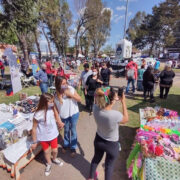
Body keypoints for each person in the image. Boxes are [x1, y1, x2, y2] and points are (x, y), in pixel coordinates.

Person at [88, 87, 128, 180]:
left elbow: (100, 100)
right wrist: (123, 102)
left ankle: (90, 177)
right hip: (112, 144)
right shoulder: (115, 115)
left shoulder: (95, 108)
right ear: (112, 101)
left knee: (95, 159)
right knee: (109, 166)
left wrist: (113, 99)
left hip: (99, 139)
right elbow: (126, 119)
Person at [31, 93, 64, 176]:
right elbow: (34, 129)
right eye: (51, 102)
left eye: (53, 101)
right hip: (43, 137)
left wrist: (59, 122)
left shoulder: (52, 108)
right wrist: (34, 142)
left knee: (55, 150)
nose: (53, 103)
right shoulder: (38, 114)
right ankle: (49, 163)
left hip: (53, 134)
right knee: (46, 151)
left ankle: (54, 159)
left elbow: (56, 114)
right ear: (44, 102)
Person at [54, 76, 81, 157]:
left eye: (66, 83)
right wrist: (58, 119)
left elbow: (79, 99)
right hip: (64, 115)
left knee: (73, 130)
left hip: (74, 114)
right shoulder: (56, 94)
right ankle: (66, 144)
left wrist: (71, 95)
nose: (65, 85)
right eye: (63, 84)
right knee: (66, 130)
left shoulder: (71, 89)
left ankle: (73, 147)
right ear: (58, 85)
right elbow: (55, 107)